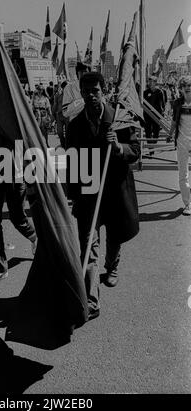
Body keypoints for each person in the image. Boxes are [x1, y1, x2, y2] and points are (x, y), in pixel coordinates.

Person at [66, 71, 140, 320]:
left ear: (104, 90)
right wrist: (72, 194)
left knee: (115, 236)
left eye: (95, 91)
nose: (91, 96)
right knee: (88, 244)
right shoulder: (75, 125)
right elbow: (72, 161)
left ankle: (112, 267)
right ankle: (91, 299)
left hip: (115, 190)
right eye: (86, 91)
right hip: (88, 193)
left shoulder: (119, 118)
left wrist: (118, 147)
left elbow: (136, 151)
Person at [0, 112, 38, 287]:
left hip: (14, 168)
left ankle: (35, 237)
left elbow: (21, 132)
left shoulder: (16, 101)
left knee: (17, 217)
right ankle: (0, 268)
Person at [168, 75, 191, 215]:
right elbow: (174, 122)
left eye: (190, 86)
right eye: (185, 86)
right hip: (182, 142)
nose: (188, 88)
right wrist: (170, 134)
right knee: (183, 174)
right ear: (181, 89)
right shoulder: (177, 103)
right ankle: (187, 204)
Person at [143, 76, 165, 153]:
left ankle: (153, 145)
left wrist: (162, 114)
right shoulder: (145, 92)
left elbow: (163, 104)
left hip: (157, 115)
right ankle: (150, 148)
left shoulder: (160, 92)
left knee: (156, 132)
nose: (150, 83)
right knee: (148, 132)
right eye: (149, 81)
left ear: (155, 82)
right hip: (147, 115)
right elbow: (143, 104)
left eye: (152, 81)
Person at [52, 80, 69, 148]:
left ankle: (67, 145)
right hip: (59, 115)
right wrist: (52, 114)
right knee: (60, 132)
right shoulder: (58, 95)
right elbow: (55, 104)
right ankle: (63, 143)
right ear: (63, 87)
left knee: (68, 132)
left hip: (68, 115)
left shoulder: (71, 95)